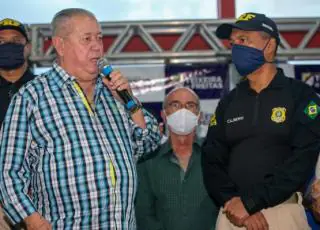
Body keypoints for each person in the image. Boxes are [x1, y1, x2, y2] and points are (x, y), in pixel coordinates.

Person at [0, 8, 160, 230]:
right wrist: (32, 220)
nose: (97, 46)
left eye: (99, 38)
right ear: (60, 45)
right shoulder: (32, 97)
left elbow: (148, 142)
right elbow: (8, 172)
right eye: (87, 39)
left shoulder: (113, 94)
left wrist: (129, 101)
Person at [202, 12, 320, 230]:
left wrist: (251, 202)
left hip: (283, 215)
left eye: (243, 40)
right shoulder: (228, 103)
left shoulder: (301, 96)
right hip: (232, 217)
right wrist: (233, 202)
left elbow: (301, 160)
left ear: (270, 45)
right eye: (233, 42)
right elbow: (211, 160)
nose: (236, 47)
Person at [136, 87, 218, 230]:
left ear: (199, 116)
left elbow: (224, 208)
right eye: (175, 105)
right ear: (164, 114)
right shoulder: (147, 161)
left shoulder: (215, 157)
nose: (183, 111)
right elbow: (144, 215)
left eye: (190, 105)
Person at [0, 17, 34, 230]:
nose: (8, 46)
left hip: (39, 200)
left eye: (15, 41)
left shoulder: (46, 90)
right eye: (1, 42)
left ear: (28, 48)